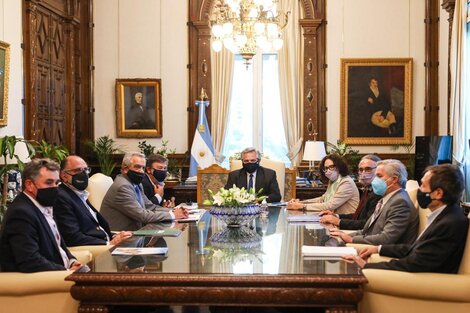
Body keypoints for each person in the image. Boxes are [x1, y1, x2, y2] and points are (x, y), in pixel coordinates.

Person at [345, 164, 469, 274]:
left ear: (438, 193)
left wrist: (367, 266)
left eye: (423, 186)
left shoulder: (449, 223)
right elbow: (416, 248)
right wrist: (378, 248)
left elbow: (414, 262)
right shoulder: (445, 215)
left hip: (426, 282)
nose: (419, 190)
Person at [0, 158, 84, 272]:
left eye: (57, 183)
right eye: (49, 182)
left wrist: (72, 261)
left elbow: (58, 246)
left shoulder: (43, 204)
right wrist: (66, 271)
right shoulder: (21, 213)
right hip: (41, 281)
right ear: (29, 185)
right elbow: (30, 261)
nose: (55, 187)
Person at [330, 159, 419, 245]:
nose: (374, 180)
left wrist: (351, 239)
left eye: (379, 176)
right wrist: (343, 235)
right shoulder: (385, 198)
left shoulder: (400, 202)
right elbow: (367, 230)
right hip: (370, 244)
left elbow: (386, 238)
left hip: (384, 252)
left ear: (394, 179)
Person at [54, 155, 133, 246]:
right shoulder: (61, 197)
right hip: (94, 250)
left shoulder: (80, 194)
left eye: (86, 170)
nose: (83, 174)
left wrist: (115, 236)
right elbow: (72, 237)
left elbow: (94, 228)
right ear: (64, 176)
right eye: (78, 170)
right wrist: (108, 243)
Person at [100, 152, 188, 231]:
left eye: (143, 168)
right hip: (120, 237)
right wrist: (173, 215)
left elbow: (149, 206)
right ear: (125, 168)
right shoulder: (123, 187)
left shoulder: (136, 184)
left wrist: (174, 211)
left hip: (136, 233)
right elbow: (143, 216)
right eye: (137, 167)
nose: (141, 171)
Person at [320, 154, 382, 229]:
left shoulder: (378, 192)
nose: (363, 173)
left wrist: (338, 221)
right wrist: (336, 216)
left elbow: (367, 224)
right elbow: (358, 216)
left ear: (379, 171)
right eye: (361, 170)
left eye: (368, 169)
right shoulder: (367, 189)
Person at [288, 154, 359, 215]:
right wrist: (299, 202)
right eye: (325, 168)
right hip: (332, 219)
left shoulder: (346, 182)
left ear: (339, 166)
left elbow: (330, 205)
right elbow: (322, 199)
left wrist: (302, 206)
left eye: (331, 167)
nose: (328, 170)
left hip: (345, 224)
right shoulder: (333, 181)